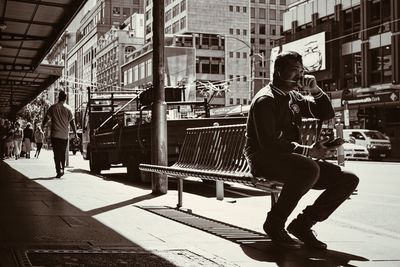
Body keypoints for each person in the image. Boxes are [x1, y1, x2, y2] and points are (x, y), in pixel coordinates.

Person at [244, 51, 359, 250]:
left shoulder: (294, 97)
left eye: (302, 70)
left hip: (294, 162)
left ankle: (302, 224)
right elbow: (268, 144)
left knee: (348, 179)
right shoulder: (266, 100)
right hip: (264, 160)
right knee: (309, 168)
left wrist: (315, 91)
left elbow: (326, 113)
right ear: (279, 72)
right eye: (295, 71)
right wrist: (309, 152)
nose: (300, 76)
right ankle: (274, 222)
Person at [42, 90, 78, 178]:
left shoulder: (52, 108)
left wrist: (43, 125)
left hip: (55, 135)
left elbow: (46, 118)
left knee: (56, 154)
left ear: (58, 97)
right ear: (65, 98)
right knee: (62, 153)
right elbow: (72, 123)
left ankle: (58, 170)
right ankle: (62, 168)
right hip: (64, 135)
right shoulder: (68, 108)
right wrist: (75, 134)